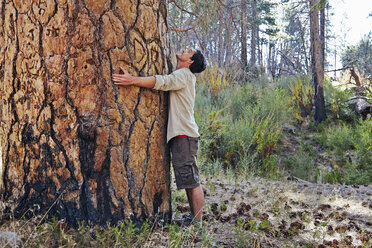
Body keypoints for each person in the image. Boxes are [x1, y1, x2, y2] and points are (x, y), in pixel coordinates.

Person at [112, 49, 207, 226]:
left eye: (189, 51)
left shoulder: (184, 74)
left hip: (184, 136)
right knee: (188, 179)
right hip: (183, 136)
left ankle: (198, 224)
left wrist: (133, 80)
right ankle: (194, 219)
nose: (185, 49)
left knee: (192, 180)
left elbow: (164, 82)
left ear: (190, 62)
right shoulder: (183, 75)